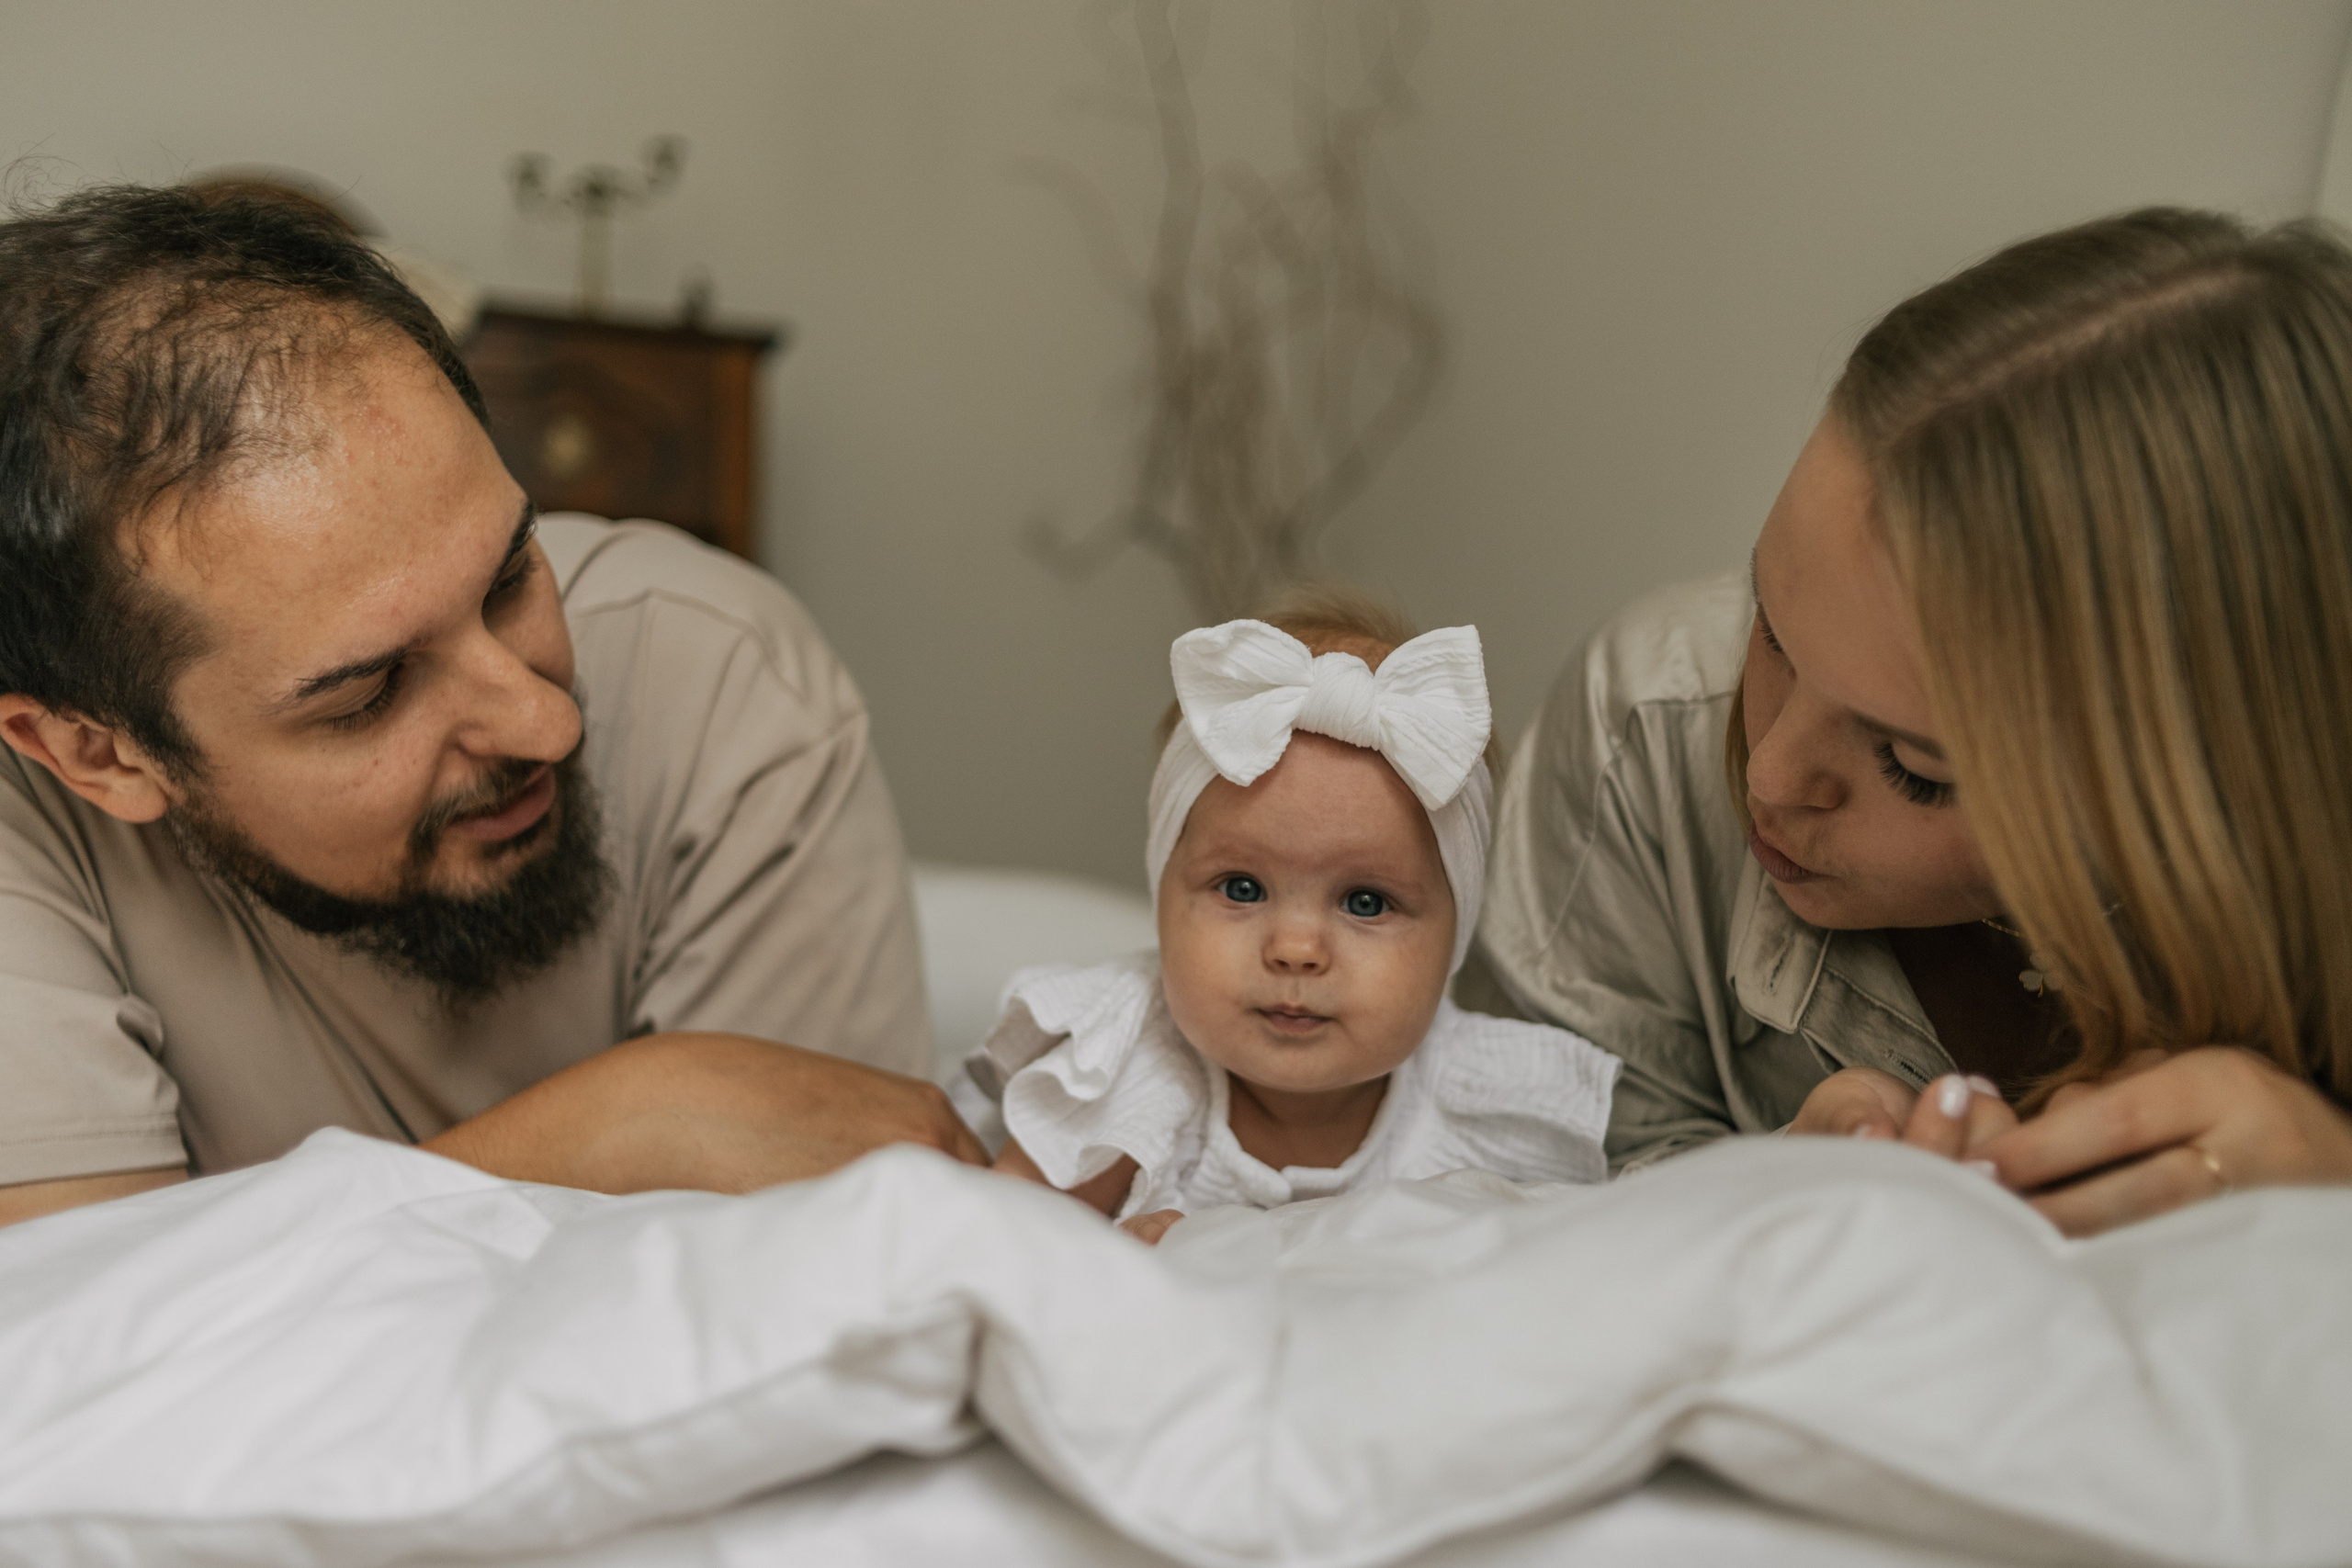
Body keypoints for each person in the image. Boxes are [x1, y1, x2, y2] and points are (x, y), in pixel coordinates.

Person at [0, 184, 984, 1227]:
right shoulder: (26, 814)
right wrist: (626, 1124)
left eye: (511, 577)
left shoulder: (714, 665)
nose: (546, 724)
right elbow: (78, 1348)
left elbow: (830, 1297)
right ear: (94, 753)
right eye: (371, 692)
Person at [1469, 207, 2352, 1237]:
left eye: (1912, 766)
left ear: (2199, 789)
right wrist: (1739, 1224)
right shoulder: (1647, 729)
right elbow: (1499, 1207)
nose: (1769, 774)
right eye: (1771, 633)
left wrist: (2323, 1181)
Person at [979, 592, 1620, 1242]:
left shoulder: (1490, 1108)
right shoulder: (1121, 1065)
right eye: (1242, 887)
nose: (1294, 947)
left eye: (1365, 901)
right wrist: (1111, 1262)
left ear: (1455, 935)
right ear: (1163, 893)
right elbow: (984, 1250)